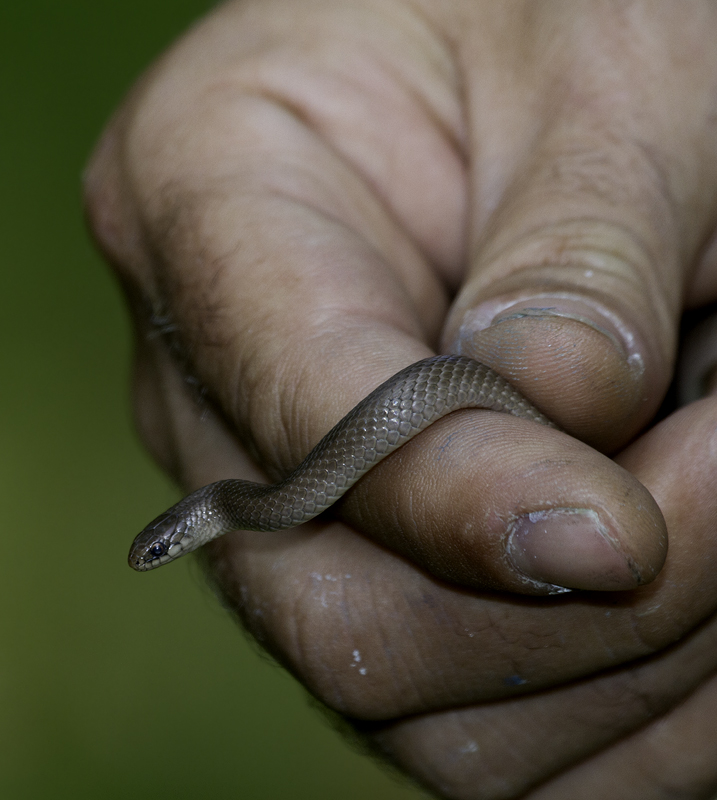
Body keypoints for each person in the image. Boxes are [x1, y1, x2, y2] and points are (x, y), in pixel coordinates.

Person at [83, 1, 717, 796]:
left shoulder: (262, 502)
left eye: (160, 548)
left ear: (186, 529)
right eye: (158, 552)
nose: (159, 557)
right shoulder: (256, 507)